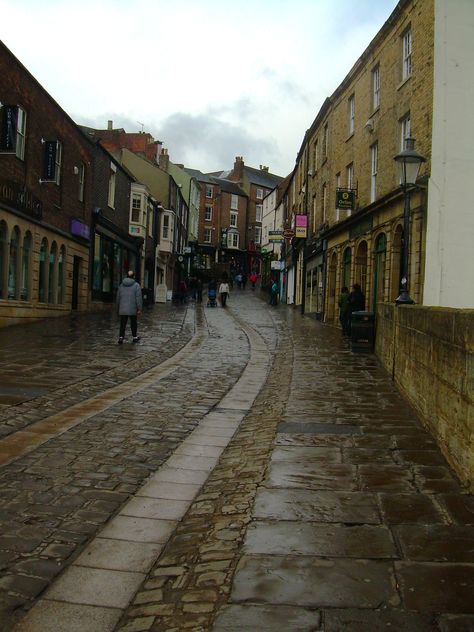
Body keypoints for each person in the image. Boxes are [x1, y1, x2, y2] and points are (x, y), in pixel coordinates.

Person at [117, 270, 143, 344]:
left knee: (123, 323)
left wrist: (118, 307)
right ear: (133, 276)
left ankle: (121, 337)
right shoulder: (136, 285)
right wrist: (139, 309)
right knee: (133, 323)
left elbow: (118, 297)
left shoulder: (121, 285)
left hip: (123, 308)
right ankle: (134, 337)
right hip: (133, 308)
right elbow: (138, 298)